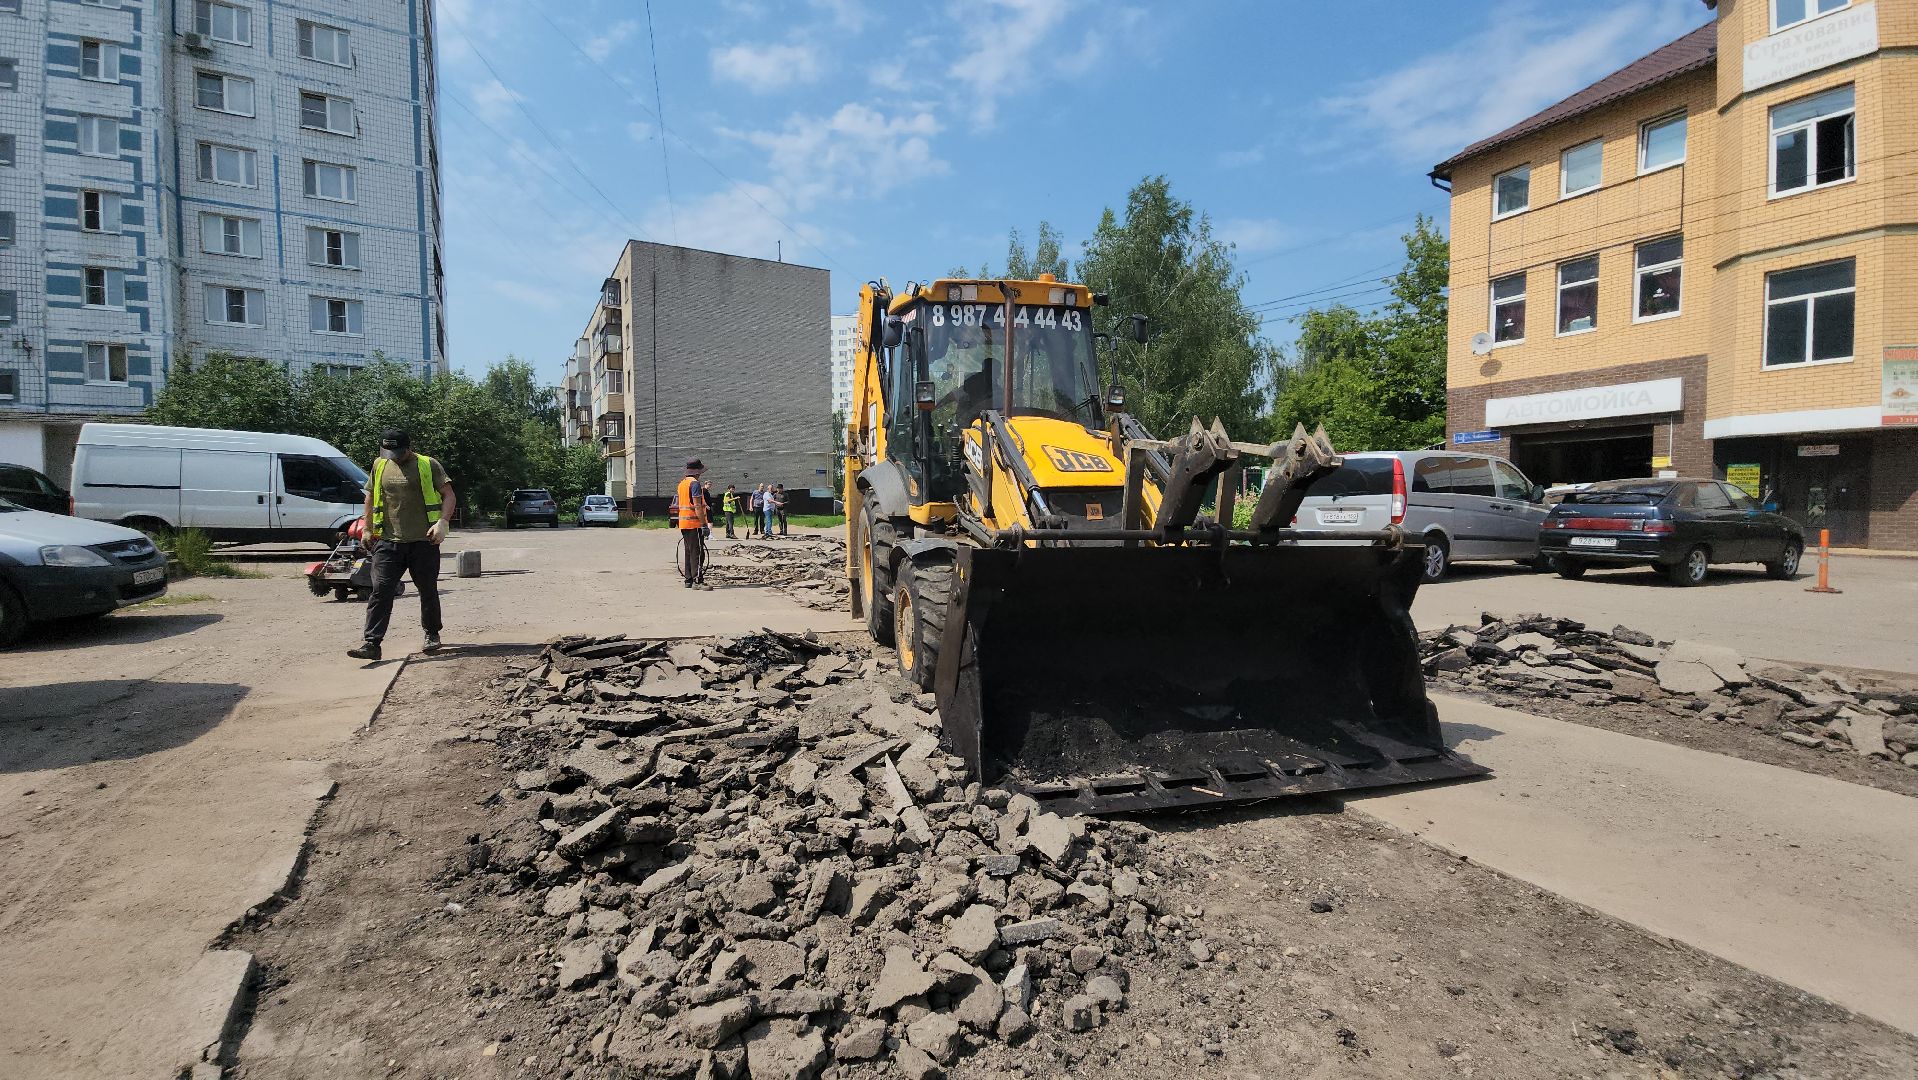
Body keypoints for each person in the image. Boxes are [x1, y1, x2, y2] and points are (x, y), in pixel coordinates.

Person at [348, 428, 455, 661]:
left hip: (423, 541)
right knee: (381, 591)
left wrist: (443, 522)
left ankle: (432, 633)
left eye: (397, 450)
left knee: (427, 589)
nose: (393, 455)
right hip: (388, 541)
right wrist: (367, 528)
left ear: (408, 447)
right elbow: (370, 495)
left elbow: (449, 494)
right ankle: (372, 644)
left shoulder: (428, 465)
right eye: (388, 450)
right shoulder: (380, 464)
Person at [670, 458, 711, 589]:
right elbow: (697, 506)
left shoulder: (682, 484)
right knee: (698, 552)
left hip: (684, 523)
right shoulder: (695, 484)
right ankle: (697, 580)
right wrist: (704, 524)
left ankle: (688, 580)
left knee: (689, 551)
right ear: (697, 472)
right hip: (694, 523)